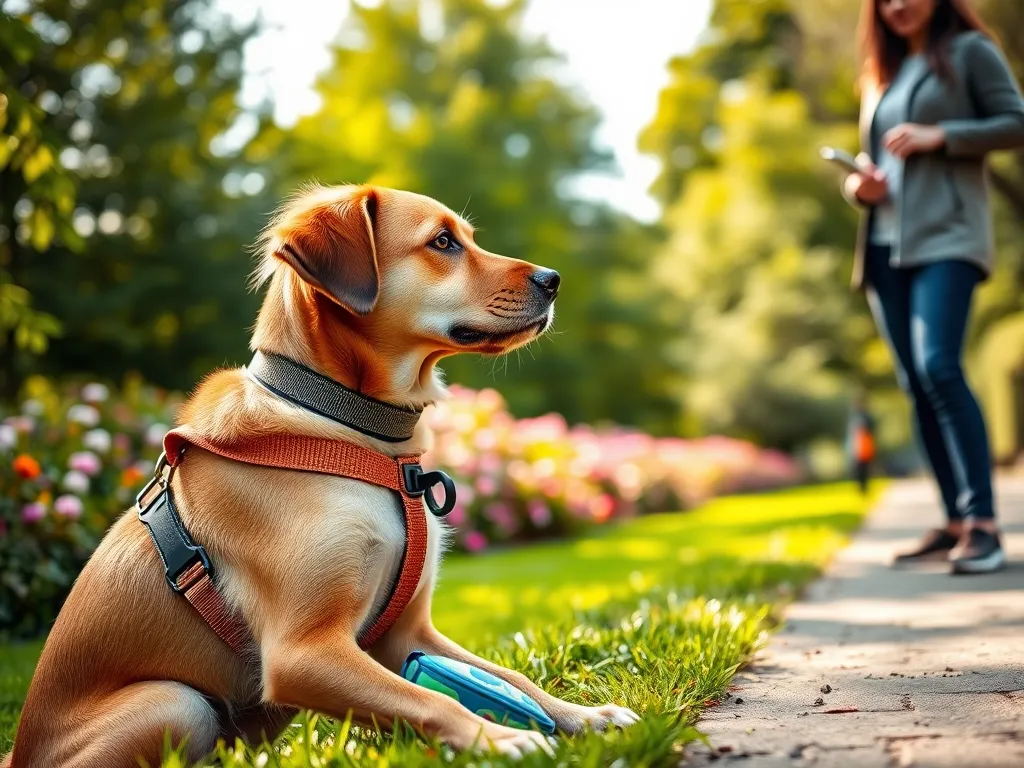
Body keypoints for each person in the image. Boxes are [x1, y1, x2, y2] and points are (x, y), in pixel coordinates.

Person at [842, 0, 1024, 574]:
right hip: (884, 245)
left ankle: (983, 524)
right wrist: (858, 187)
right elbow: (875, 163)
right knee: (916, 385)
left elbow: (1016, 122)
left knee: (939, 365)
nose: (898, 6)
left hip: (947, 236)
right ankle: (953, 522)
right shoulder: (881, 75)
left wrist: (939, 135)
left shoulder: (970, 52)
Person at [847, 391, 877, 495]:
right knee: (858, 469)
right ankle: (860, 488)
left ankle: (864, 488)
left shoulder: (866, 416)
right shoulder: (854, 417)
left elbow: (871, 430)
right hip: (857, 446)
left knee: (865, 469)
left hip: (866, 445)